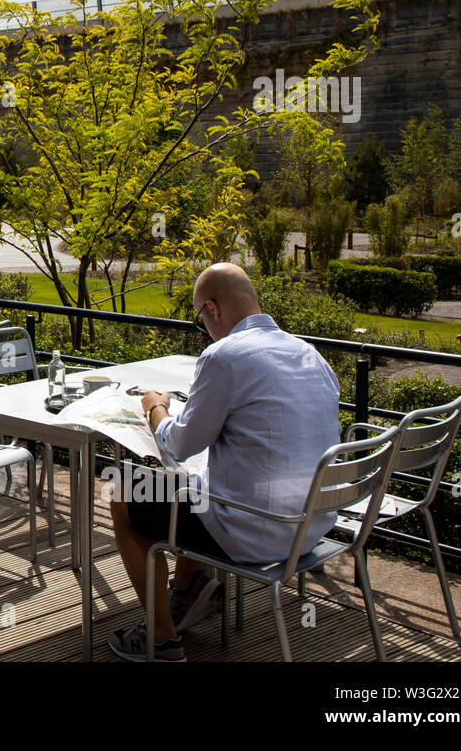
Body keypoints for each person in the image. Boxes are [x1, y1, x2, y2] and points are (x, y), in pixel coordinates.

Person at [107, 262, 341, 661]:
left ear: (212, 309)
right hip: (310, 524)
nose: (205, 328)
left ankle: (161, 640)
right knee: (189, 486)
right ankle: (188, 589)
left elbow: (180, 443)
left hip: (253, 532)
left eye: (201, 319)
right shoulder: (310, 354)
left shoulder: (224, 356)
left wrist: (156, 409)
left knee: (122, 493)